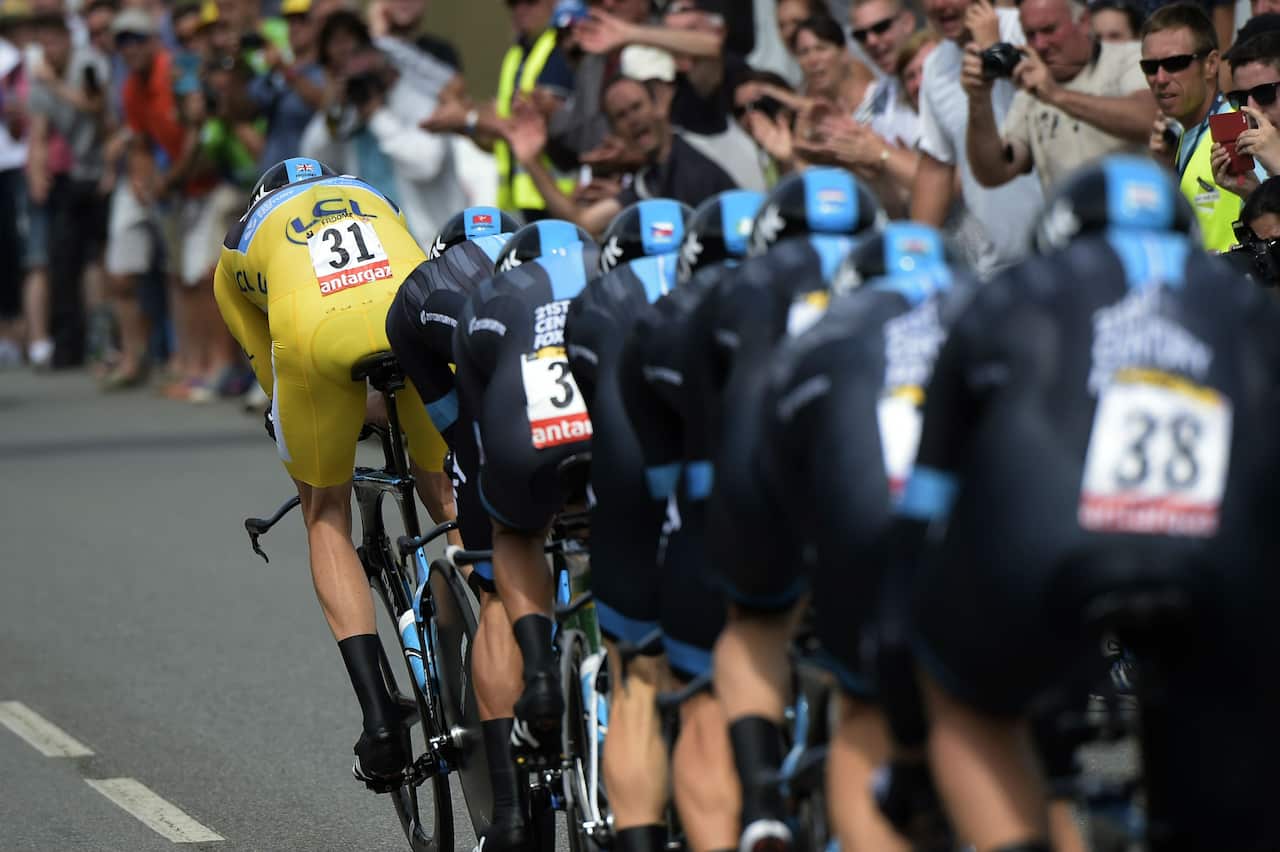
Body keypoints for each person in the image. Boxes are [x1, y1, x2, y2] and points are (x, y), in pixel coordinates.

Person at [899, 153, 1280, 852]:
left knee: (966, 700)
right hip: (1218, 561)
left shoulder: (1012, 292)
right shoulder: (1241, 300)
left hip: (1046, 552)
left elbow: (929, 494)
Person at [213, 158, 454, 784]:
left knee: (324, 509)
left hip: (315, 335)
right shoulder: (374, 194)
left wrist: (319, 424)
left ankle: (379, 717)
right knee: (448, 490)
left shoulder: (238, 243)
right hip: (412, 314)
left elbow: (272, 384)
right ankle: (499, 628)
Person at [754, 224, 964, 852]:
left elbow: (776, 482)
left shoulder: (821, 333)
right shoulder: (986, 303)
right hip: (988, 535)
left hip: (867, 536)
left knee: (865, 711)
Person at [694, 168, 882, 852]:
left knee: (753, 625)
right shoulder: (917, 277)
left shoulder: (736, 285)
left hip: (767, 470)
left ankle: (764, 797)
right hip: (887, 477)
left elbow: (704, 411)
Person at [562, 197, 693, 852]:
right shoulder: (742, 277)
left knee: (637, 676)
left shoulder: (597, 301)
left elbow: (589, 428)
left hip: (630, 478)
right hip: (730, 483)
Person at [450, 236, 602, 794]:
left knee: (512, 533)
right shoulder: (614, 271)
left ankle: (538, 670)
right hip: (609, 416)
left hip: (526, 428)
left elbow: (473, 429)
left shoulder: (487, 295)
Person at [300, 12, 466, 246]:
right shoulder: (349, 111)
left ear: (376, 53)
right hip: (379, 246)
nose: (354, 69)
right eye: (342, 65)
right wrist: (334, 104)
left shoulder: (418, 99)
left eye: (357, 55)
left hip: (432, 246)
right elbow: (312, 157)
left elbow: (426, 164)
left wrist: (378, 115)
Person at [508, 72, 738, 236]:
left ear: (658, 106)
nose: (633, 120)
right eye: (621, 115)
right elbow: (584, 222)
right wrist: (531, 160)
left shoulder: (695, 167)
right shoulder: (648, 178)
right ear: (614, 130)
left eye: (637, 107)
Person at [964, 0, 1155, 194]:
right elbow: (994, 172)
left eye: (1049, 30)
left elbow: (1149, 120)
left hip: (1138, 211)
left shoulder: (1130, 57)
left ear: (1084, 22)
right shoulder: (1031, 90)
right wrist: (979, 98)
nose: (1040, 44)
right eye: (1030, 34)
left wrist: (1056, 95)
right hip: (1072, 219)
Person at [912, 0, 1044, 277]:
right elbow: (936, 165)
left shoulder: (1028, 27)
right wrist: (913, 258)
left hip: (1060, 248)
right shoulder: (935, 66)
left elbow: (1055, 99)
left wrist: (995, 50)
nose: (939, 5)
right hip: (997, 267)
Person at [1144, 2, 1243, 251]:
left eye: (1176, 63)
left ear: (1211, 64)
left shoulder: (1239, 133)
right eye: (1150, 67)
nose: (1161, 79)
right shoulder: (1182, 137)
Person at [249, 0, 325, 171]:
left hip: (313, 176)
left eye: (302, 20)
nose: (294, 27)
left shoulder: (325, 69)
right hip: (275, 178)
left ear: (318, 25)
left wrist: (285, 70)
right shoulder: (275, 69)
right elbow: (247, 108)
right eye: (290, 21)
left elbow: (324, 103)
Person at [1212, 31, 1280, 199]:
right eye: (1241, 98)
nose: (1250, 108)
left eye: (1264, 93)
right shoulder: (1255, 162)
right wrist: (1253, 194)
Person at [849, 0, 919, 79]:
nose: (871, 41)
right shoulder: (883, 89)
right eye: (861, 35)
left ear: (907, 22)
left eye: (880, 27)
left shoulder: (934, 72)